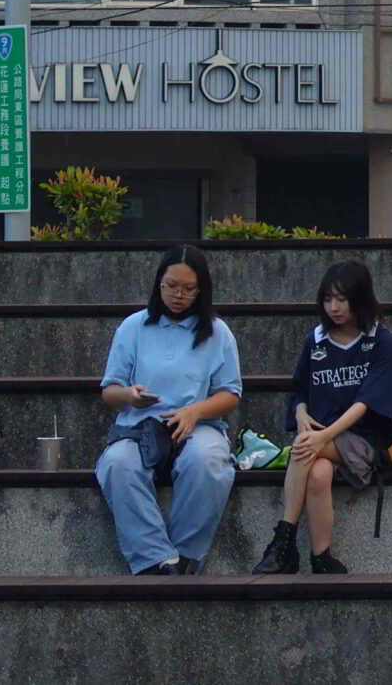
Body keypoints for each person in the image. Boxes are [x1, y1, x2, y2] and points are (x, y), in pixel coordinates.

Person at [97, 245, 242, 574]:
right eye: (171, 286)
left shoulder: (218, 332)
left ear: (201, 290)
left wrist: (194, 412)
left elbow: (231, 394)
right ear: (158, 283)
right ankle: (156, 559)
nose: (178, 296)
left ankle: (188, 555)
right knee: (118, 464)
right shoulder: (133, 327)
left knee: (206, 462)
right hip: (140, 425)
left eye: (189, 289)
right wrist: (130, 396)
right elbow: (110, 391)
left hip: (199, 425)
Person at [254, 259, 392, 575]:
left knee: (303, 447)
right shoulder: (317, 339)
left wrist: (321, 436)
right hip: (321, 440)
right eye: (328, 299)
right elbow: (299, 390)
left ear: (360, 298)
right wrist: (301, 414)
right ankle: (321, 557)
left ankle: (283, 542)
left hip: (362, 440)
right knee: (319, 474)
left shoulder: (381, 341)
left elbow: (367, 403)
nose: (334, 307)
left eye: (342, 299)